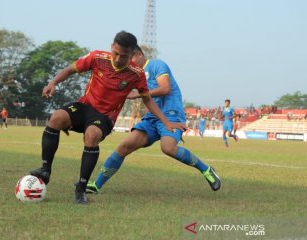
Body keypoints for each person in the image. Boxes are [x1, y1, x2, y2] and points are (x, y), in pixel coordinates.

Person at [29, 31, 186, 204]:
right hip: (85, 106)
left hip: (105, 116)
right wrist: (53, 83)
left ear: (133, 55)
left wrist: (166, 122)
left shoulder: (136, 74)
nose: (118, 59)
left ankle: (81, 189)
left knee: (92, 135)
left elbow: (148, 100)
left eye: (124, 56)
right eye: (116, 53)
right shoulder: (97, 57)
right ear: (112, 47)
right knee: (56, 117)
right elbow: (70, 69)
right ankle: (45, 170)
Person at [86, 45, 221, 194]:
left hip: (171, 114)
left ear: (139, 54)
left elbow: (165, 88)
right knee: (124, 146)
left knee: (168, 148)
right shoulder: (134, 74)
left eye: (129, 58)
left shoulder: (156, 65)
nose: (126, 62)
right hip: (152, 117)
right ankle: (96, 185)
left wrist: (137, 94)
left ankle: (207, 170)